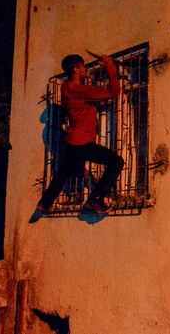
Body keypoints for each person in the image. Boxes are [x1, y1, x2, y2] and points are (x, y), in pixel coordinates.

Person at [30, 52, 124, 225]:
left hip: (72, 142)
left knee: (64, 173)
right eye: (83, 67)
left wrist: (87, 79)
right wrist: (110, 66)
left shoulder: (66, 87)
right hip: (83, 142)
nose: (85, 69)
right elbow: (114, 91)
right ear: (75, 69)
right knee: (116, 162)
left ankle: (44, 204)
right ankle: (95, 200)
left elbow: (82, 93)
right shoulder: (79, 90)